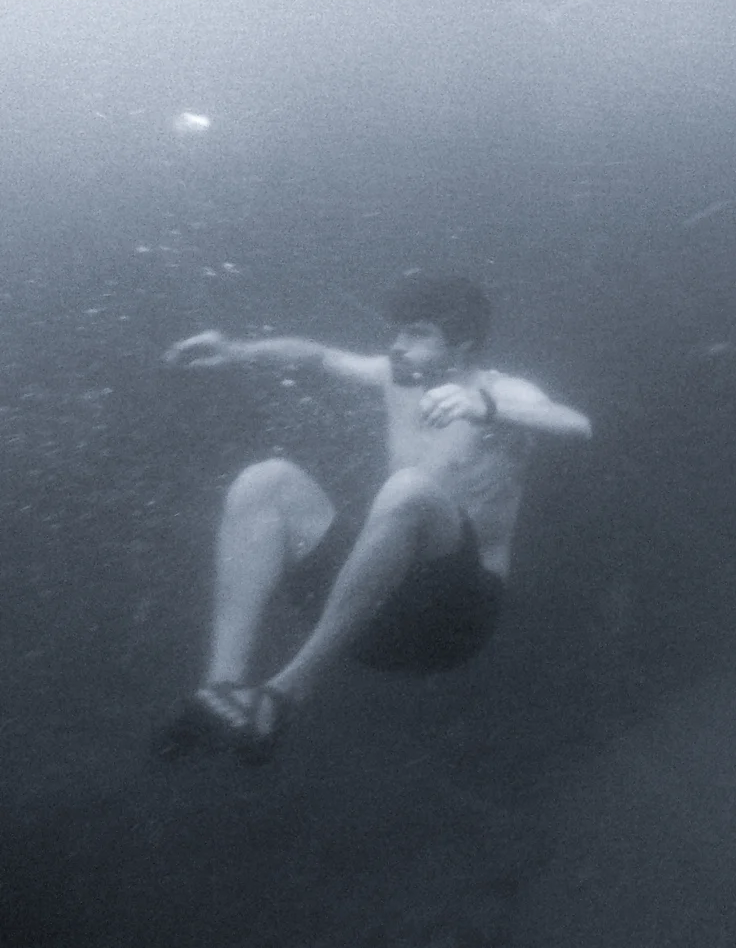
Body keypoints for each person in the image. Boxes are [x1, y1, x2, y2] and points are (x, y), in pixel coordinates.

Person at [152, 271, 590, 764]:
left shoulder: (504, 393)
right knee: (265, 480)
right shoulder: (395, 377)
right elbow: (319, 356)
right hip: (374, 611)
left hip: (451, 620)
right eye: (398, 331)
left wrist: (484, 406)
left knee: (408, 489)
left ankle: (283, 695)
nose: (398, 346)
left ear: (464, 343)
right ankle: (221, 692)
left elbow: (576, 425)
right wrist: (237, 350)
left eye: (418, 333)